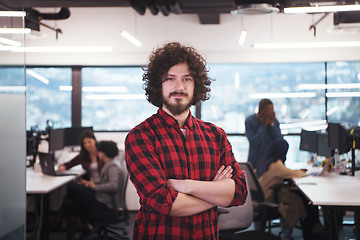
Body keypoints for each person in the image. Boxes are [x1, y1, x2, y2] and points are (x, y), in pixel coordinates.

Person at [125, 42, 248, 239]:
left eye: (187, 79)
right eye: (170, 79)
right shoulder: (141, 136)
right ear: (159, 84)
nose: (179, 87)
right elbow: (162, 202)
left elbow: (239, 191)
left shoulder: (216, 135)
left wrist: (186, 186)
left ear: (195, 84)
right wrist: (216, 195)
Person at [256, 138, 324, 240]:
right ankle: (311, 230)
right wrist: (305, 173)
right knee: (304, 201)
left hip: (262, 196)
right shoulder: (276, 165)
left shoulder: (265, 161)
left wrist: (296, 171)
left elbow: (286, 172)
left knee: (302, 197)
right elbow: (294, 174)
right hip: (269, 197)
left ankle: (313, 228)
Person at [64, 140, 122, 240]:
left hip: (105, 203)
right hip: (102, 197)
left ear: (102, 153)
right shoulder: (110, 164)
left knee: (72, 189)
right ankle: (76, 233)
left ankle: (62, 222)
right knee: (72, 206)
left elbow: (113, 186)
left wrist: (95, 187)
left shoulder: (112, 166)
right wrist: (90, 184)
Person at [245, 98, 282, 168]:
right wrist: (263, 125)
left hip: (272, 163)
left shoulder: (274, 121)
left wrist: (272, 125)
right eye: (268, 110)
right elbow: (254, 142)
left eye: (272, 109)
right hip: (256, 163)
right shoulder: (250, 121)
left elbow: (279, 141)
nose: (271, 112)